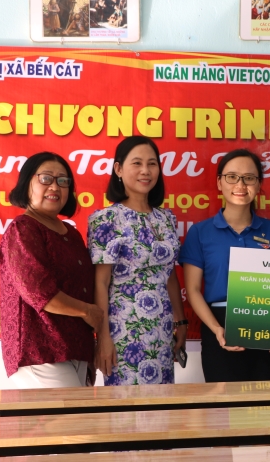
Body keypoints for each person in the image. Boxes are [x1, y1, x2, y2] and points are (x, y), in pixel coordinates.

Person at [180, 149, 270, 382]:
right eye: (232, 177)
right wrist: (217, 329)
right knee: (224, 404)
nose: (240, 184)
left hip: (268, 324)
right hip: (219, 325)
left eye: (249, 178)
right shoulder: (200, 232)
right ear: (219, 182)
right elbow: (193, 290)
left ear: (259, 184)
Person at [0, 151, 103, 388]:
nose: (55, 187)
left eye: (63, 181)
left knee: (79, 414)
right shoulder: (23, 229)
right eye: (46, 178)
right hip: (39, 351)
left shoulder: (72, 234)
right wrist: (88, 311)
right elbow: (39, 292)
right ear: (27, 183)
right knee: (61, 413)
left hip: (77, 348)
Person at [89, 136, 187, 386]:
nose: (145, 171)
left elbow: (170, 276)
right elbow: (100, 283)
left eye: (152, 164)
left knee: (163, 405)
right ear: (118, 169)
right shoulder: (106, 219)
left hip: (162, 331)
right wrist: (103, 338)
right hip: (123, 333)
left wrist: (180, 322)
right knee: (126, 406)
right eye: (137, 163)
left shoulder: (167, 218)